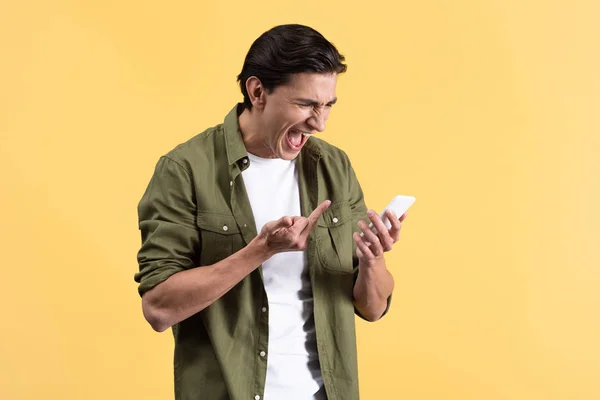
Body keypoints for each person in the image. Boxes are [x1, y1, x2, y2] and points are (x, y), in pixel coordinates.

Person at [135, 24, 407, 400]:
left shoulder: (334, 167)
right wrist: (260, 250)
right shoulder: (185, 170)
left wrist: (373, 259)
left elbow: (373, 308)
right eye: (306, 104)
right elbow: (159, 309)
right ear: (257, 91)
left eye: (328, 105)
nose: (320, 122)